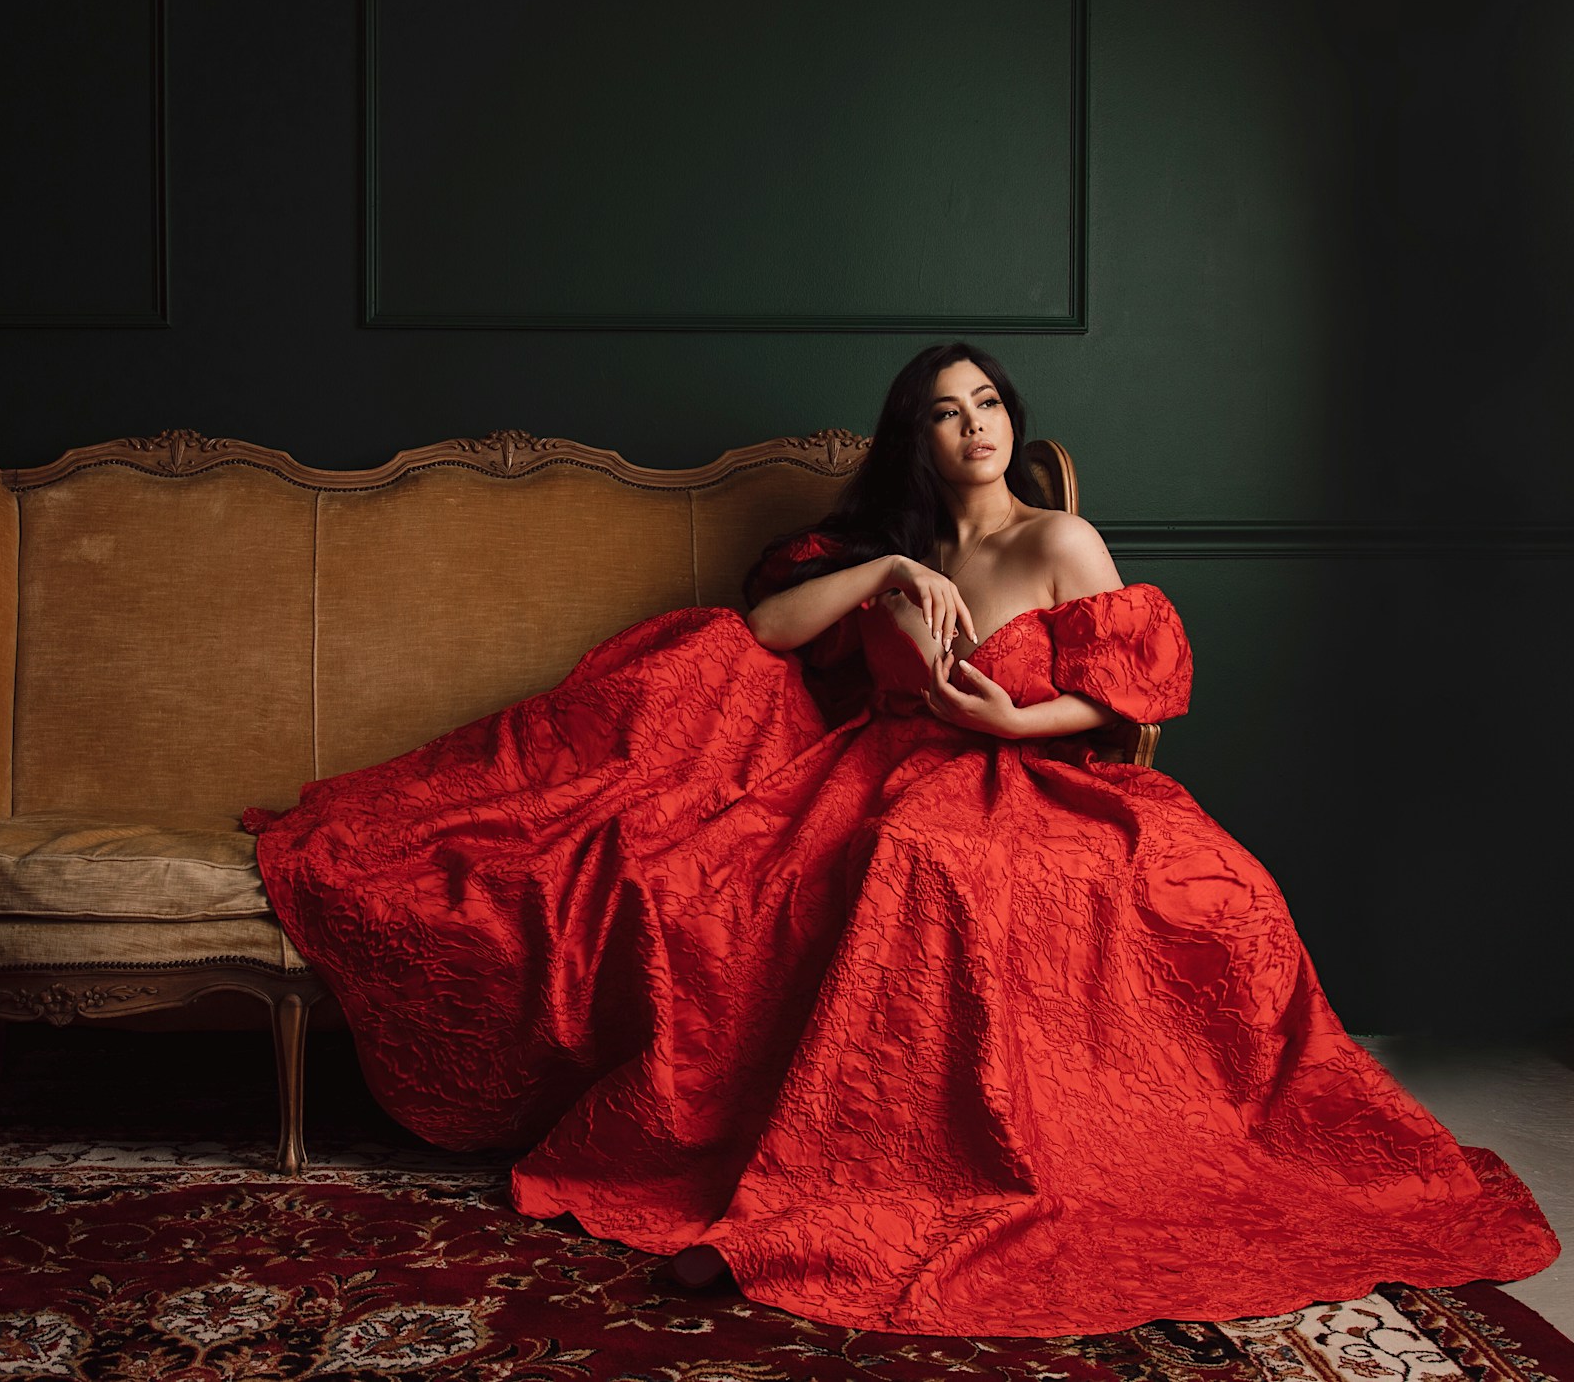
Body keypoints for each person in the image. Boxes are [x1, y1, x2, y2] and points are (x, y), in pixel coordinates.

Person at [242, 342, 1558, 1336]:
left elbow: (1126, 688)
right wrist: (881, 576)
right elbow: (758, 641)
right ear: (914, 440)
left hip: (1028, 767)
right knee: (850, 859)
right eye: (947, 411)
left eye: (989, 404)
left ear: (1012, 424)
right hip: (874, 768)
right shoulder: (869, 549)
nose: (974, 426)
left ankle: (1011, 1154)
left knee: (1093, 879)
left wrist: (1018, 715)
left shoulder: (1063, 538)